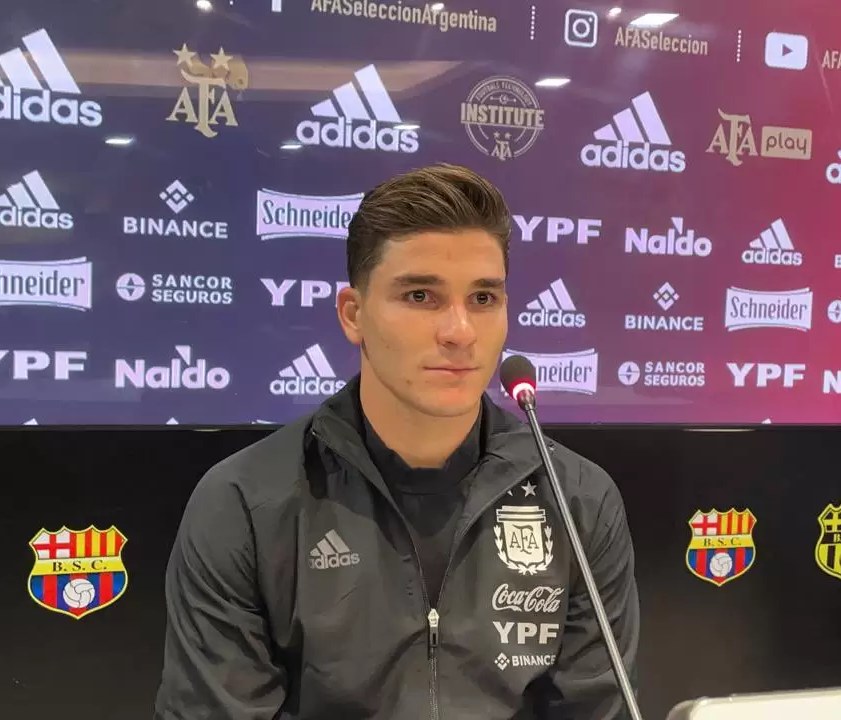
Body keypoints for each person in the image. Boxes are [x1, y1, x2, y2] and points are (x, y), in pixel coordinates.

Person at [155, 163, 641, 719]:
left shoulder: (578, 499)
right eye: (420, 295)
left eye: (483, 298)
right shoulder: (245, 504)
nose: (460, 331)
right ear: (353, 314)